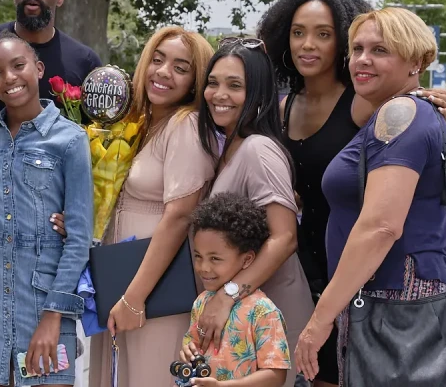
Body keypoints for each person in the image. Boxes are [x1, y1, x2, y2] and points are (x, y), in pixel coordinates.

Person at [295, 8, 446, 386]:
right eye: (357, 49)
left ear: (416, 61)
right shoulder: (403, 112)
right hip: (385, 298)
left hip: (394, 299)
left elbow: (382, 226)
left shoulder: (401, 113)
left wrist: (319, 322)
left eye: (381, 50)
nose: (362, 60)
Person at [0, 31, 93, 386]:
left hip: (43, 298)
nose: (9, 78)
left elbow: (79, 239)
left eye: (18, 66)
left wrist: (54, 315)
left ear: (38, 68)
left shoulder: (70, 139)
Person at [89, 26, 216, 387]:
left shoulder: (186, 125)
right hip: (120, 279)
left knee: (149, 377)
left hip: (155, 290)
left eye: (180, 67)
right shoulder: (142, 125)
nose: (163, 72)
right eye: (157, 60)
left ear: (195, 81)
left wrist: (134, 297)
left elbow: (179, 216)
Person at [257, 0, 372, 387]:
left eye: (323, 34)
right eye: (298, 33)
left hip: (348, 264)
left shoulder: (362, 104)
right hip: (297, 265)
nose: (308, 45)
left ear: (342, 39)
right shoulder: (283, 105)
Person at [196, 38, 313, 387]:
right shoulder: (230, 147)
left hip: (271, 319)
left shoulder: (259, 150)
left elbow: (285, 237)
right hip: (242, 321)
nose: (219, 94)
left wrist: (226, 295)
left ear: (259, 94)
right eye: (213, 83)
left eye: (235, 86)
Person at [181, 192, 291, 387]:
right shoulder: (202, 301)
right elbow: (192, 342)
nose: (203, 267)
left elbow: (276, 376)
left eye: (215, 258)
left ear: (247, 259)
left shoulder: (263, 311)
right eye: (198, 256)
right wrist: (187, 351)